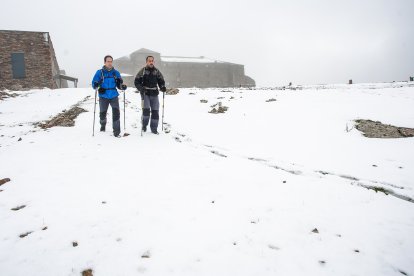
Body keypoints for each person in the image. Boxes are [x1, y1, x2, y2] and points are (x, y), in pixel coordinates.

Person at [92, 55, 127, 138]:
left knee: (116, 113)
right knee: (102, 114)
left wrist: (122, 86)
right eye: (108, 61)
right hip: (103, 96)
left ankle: (116, 132)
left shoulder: (116, 72)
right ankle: (103, 125)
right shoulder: (99, 72)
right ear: (104, 62)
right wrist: (98, 87)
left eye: (111, 61)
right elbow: (94, 84)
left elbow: (119, 85)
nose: (110, 63)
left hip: (114, 95)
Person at [134, 56, 166, 134]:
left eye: (152, 61)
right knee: (146, 111)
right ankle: (144, 125)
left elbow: (161, 80)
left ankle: (154, 128)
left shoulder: (156, 71)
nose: (151, 62)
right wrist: (141, 88)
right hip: (145, 93)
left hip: (154, 93)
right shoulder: (143, 71)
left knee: (155, 111)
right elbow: (136, 81)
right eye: (149, 61)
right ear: (146, 62)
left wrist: (162, 87)